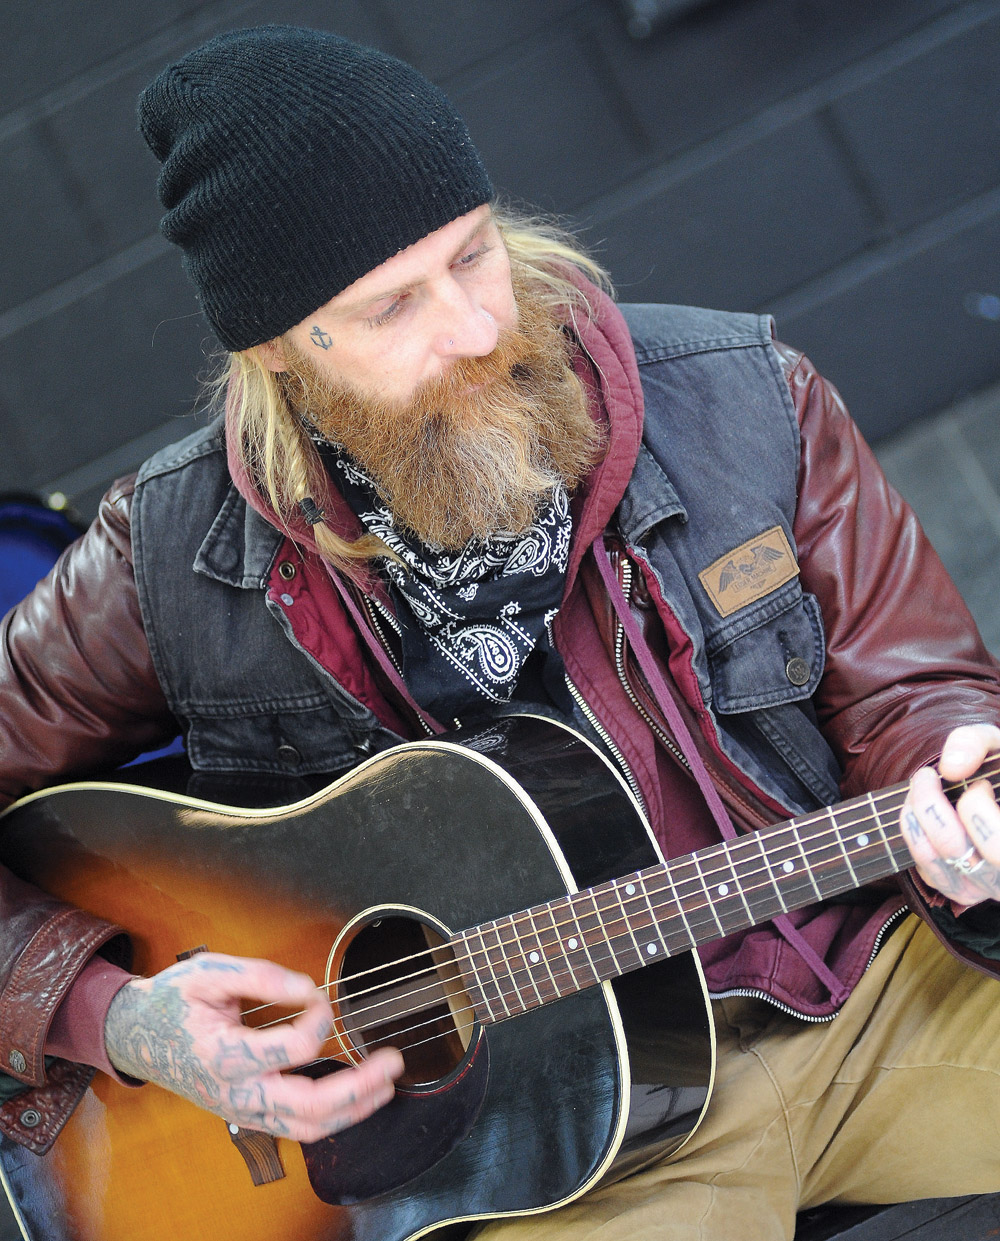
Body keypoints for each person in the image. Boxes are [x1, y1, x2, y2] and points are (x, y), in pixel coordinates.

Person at [1, 23, 999, 1240]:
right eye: (393, 306)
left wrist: (960, 796)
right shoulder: (163, 559)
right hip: (546, 1153)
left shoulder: (743, 397)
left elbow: (918, 698)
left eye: (474, 255)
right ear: (278, 350)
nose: (476, 328)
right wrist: (111, 1013)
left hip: (860, 987)